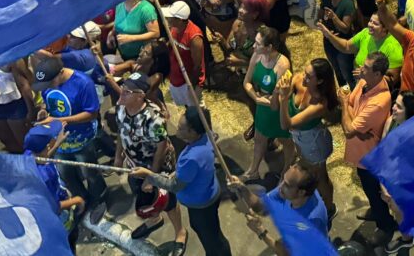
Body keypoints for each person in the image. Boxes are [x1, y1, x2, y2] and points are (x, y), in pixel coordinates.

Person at [130, 107, 232, 256]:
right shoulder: (208, 136)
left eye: (180, 128)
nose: (176, 131)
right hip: (209, 191)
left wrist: (149, 175)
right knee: (212, 233)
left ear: (193, 132)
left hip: (201, 203)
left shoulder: (191, 158)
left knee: (212, 240)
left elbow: (175, 186)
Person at [114, 73, 185, 245]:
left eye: (127, 91)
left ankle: (180, 231)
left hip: (157, 165)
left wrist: (152, 176)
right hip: (134, 165)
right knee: (143, 195)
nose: (122, 93)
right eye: (123, 88)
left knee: (167, 201)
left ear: (140, 96)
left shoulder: (154, 119)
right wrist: (118, 156)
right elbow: (121, 131)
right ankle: (154, 219)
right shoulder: (121, 107)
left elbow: (162, 146)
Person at [32, 55, 106, 217]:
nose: (48, 87)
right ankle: (82, 198)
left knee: (90, 172)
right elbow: (48, 101)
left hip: (83, 137)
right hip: (59, 138)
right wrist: (44, 110)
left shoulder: (83, 83)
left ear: (60, 73)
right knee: (66, 173)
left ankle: (98, 199)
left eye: (49, 83)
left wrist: (58, 119)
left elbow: (92, 113)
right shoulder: (48, 84)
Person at [342, 52, 395, 244]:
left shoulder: (379, 101)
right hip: (360, 151)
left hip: (369, 157)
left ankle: (385, 225)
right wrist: (355, 122)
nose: (360, 69)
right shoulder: (365, 82)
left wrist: (348, 115)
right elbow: (350, 102)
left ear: (378, 74)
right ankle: (376, 209)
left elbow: (349, 129)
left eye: (365, 68)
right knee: (369, 189)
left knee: (375, 190)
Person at [276, 57, 339, 216]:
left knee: (320, 177)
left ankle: (329, 207)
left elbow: (287, 124)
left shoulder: (319, 103)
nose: (303, 77)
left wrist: (283, 99)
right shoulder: (298, 79)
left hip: (314, 143)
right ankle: (316, 203)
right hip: (301, 139)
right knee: (310, 174)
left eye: (309, 77)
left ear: (320, 81)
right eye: (305, 73)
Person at [242, 26, 296, 182]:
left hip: (279, 108)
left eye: (258, 44)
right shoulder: (257, 56)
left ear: (269, 47)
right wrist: (255, 98)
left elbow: (278, 99)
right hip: (263, 104)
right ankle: (253, 170)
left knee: (286, 140)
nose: (253, 46)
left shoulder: (283, 64)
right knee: (259, 138)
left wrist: (266, 99)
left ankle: (286, 168)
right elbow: (246, 82)